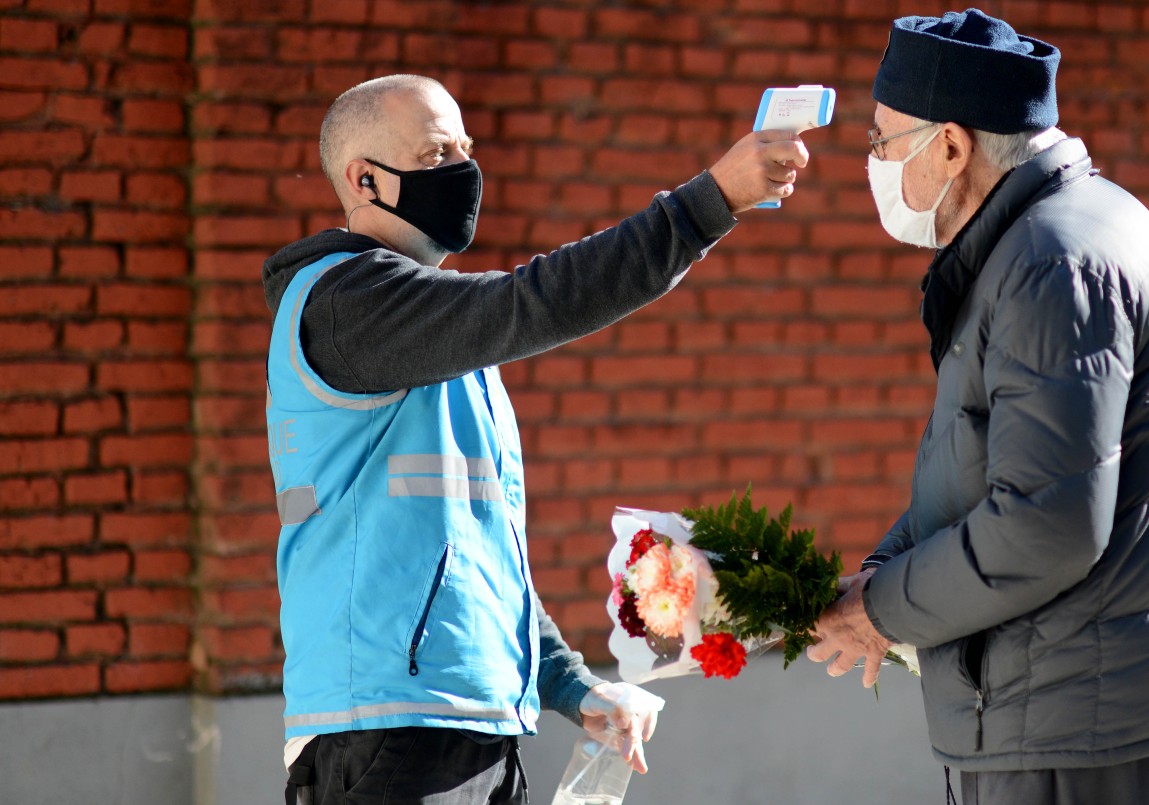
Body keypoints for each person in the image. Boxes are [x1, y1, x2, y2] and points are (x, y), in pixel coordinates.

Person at [264, 73, 808, 805]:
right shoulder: (346, 302)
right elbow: (535, 298)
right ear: (365, 179)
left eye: (465, 147)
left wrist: (573, 685)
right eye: (434, 153)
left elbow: (477, 560)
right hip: (390, 731)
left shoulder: (435, 340)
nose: (461, 170)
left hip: (467, 724)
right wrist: (711, 202)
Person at [805, 10, 1149, 805]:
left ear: (950, 146)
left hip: (1074, 706)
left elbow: (1046, 525)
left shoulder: (1052, 263)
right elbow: (996, 464)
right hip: (1073, 692)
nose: (870, 164)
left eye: (880, 142)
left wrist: (882, 610)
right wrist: (884, 573)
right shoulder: (1051, 235)